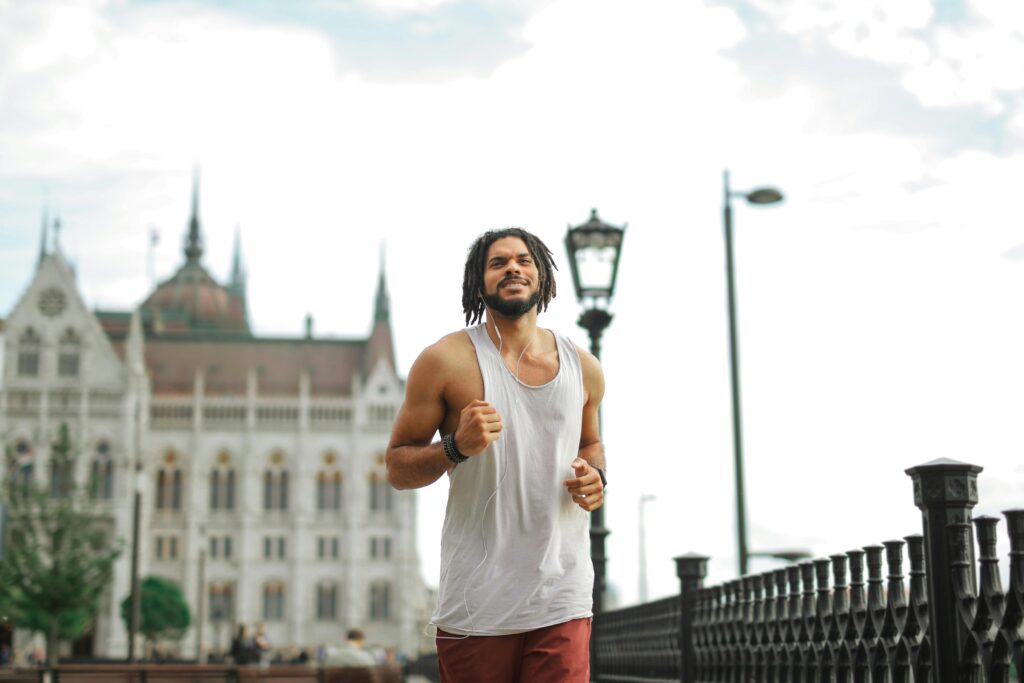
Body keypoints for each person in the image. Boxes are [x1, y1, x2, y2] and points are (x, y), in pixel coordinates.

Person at [386, 228, 606, 683]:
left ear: (542, 276)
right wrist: (455, 447)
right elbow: (397, 468)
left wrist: (597, 475)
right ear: (479, 282)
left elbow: (590, 441)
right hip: (476, 602)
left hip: (561, 592)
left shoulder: (584, 366)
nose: (513, 268)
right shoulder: (445, 361)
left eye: (524, 261)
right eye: (498, 262)